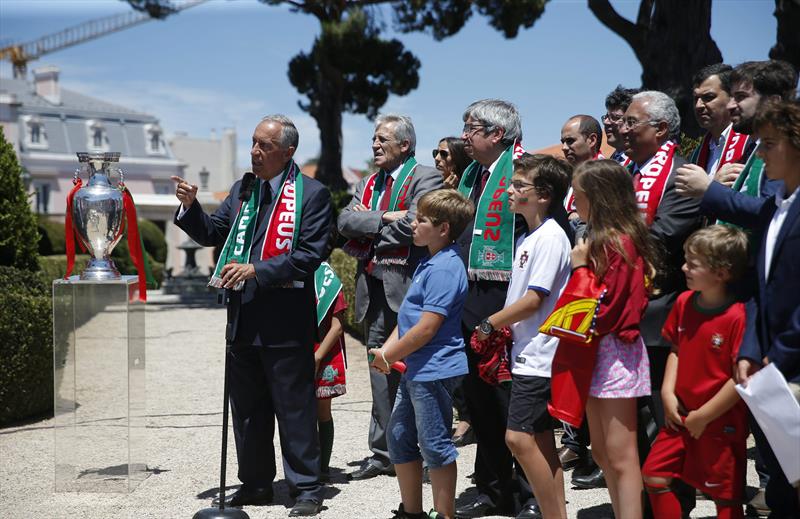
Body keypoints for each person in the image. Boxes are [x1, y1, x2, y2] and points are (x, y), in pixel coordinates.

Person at [172, 115, 332, 517]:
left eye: (265, 145)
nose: (255, 152)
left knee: (293, 408)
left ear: (288, 152)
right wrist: (190, 207)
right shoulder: (244, 189)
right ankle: (257, 483)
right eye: (253, 143)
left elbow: (310, 255)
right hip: (242, 317)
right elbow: (214, 232)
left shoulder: (312, 194)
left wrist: (256, 270)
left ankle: (306, 489)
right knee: (247, 410)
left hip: (285, 320)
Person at [680, 98, 800, 517]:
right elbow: (762, 291)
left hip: (789, 364)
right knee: (783, 487)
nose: (760, 154)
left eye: (769, 144)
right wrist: (750, 350)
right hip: (769, 369)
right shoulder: (775, 207)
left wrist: (779, 354)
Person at [338, 114, 443, 481]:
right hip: (373, 289)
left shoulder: (426, 177)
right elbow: (344, 223)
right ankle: (384, 453)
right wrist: (385, 216)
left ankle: (426, 455)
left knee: (419, 373)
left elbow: (415, 225)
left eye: (382, 139)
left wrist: (368, 224)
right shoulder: (367, 183)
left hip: (410, 289)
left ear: (405, 145)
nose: (375, 144)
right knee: (379, 372)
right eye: (374, 138)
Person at [476, 154, 572, 519]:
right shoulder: (531, 236)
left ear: (543, 195)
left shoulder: (550, 237)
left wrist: (489, 323)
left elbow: (534, 299)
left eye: (519, 185)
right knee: (543, 443)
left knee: (517, 438)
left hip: (539, 354)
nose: (509, 191)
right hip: (527, 351)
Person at [455, 99, 538, 519]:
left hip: (507, 304)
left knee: (512, 404)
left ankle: (532, 494)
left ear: (496, 134)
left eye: (471, 128)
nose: (464, 136)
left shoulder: (526, 174)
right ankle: (494, 491)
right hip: (468, 302)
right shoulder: (472, 175)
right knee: (481, 403)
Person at [368, 189, 474, 519]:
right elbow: (409, 317)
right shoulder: (431, 260)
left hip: (435, 368)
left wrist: (388, 356)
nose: (413, 224)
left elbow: (427, 328)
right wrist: (387, 352)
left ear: (444, 228)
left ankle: (445, 515)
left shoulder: (445, 267)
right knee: (400, 437)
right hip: (417, 366)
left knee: (434, 444)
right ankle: (411, 512)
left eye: (422, 220)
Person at [569, 159, 659, 519]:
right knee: (603, 452)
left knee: (621, 455)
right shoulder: (599, 239)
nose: (574, 201)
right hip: (595, 349)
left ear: (599, 198)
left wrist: (579, 269)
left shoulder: (620, 243)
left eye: (578, 195)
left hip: (615, 351)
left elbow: (608, 309)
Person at [642, 225, 750, 519]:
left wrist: (704, 416)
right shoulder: (683, 302)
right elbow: (676, 349)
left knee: (724, 496)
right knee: (654, 475)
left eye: (693, 264)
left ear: (721, 273)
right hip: (680, 416)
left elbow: (739, 378)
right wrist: (667, 393)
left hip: (720, 421)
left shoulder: (737, 315)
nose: (684, 268)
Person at [312, 259, 348, 482]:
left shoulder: (328, 279)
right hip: (295, 352)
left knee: (322, 411)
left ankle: (323, 467)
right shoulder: (289, 270)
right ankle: (305, 467)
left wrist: (317, 357)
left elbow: (337, 326)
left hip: (323, 354)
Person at [688, 63, 750, 178]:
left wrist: (710, 186)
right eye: (696, 98)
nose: (698, 105)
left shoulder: (752, 144)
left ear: (732, 97)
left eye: (708, 97)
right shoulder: (695, 156)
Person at [602, 85, 640, 168]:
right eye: (606, 117)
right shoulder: (613, 159)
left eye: (615, 117)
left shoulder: (643, 163)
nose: (606, 122)